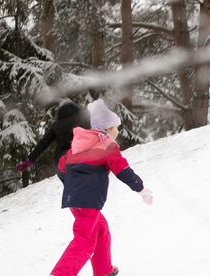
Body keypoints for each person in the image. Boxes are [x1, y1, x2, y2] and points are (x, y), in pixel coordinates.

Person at [51, 99, 152, 276]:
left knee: (101, 230)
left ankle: (103, 270)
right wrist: (141, 189)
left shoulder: (79, 145)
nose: (118, 131)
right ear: (108, 129)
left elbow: (61, 167)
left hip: (75, 200)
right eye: (116, 127)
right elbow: (123, 171)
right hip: (87, 200)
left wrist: (74, 186)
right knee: (84, 240)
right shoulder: (107, 145)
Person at [15, 100, 88, 179]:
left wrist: (29, 161)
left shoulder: (56, 125)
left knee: (71, 187)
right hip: (80, 159)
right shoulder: (81, 120)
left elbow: (43, 143)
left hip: (61, 163)